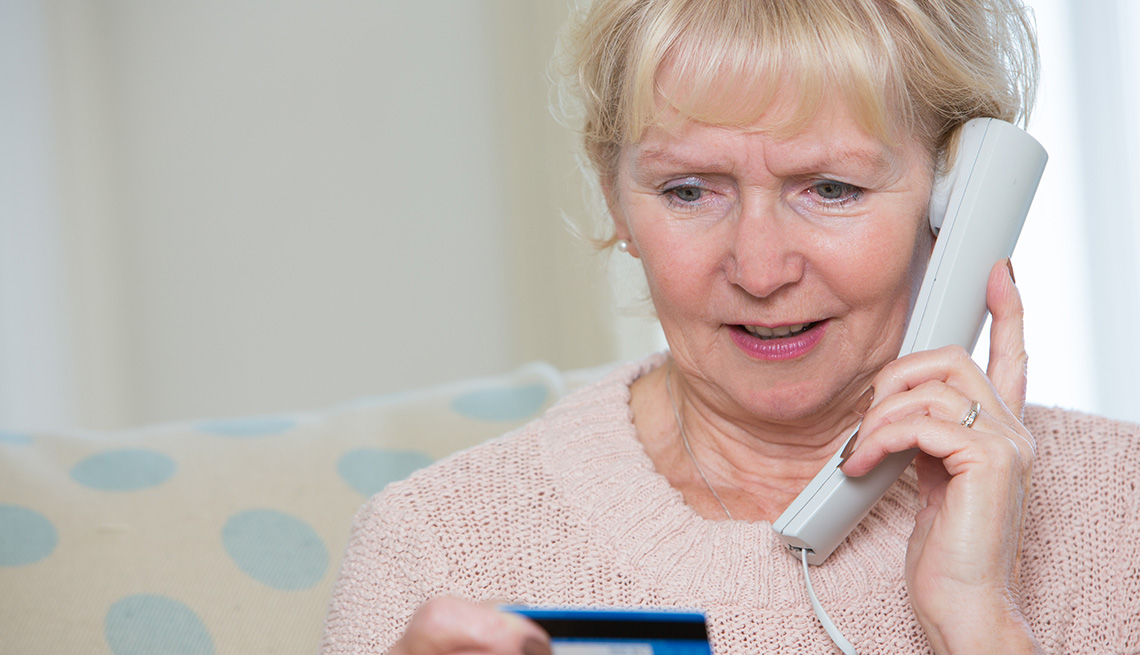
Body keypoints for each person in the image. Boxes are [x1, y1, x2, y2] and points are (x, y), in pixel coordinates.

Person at [321, 1, 1140, 653]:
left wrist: (978, 625)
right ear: (617, 204)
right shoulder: (436, 546)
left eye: (829, 188)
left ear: (958, 207)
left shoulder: (1119, 509)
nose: (759, 267)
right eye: (689, 191)